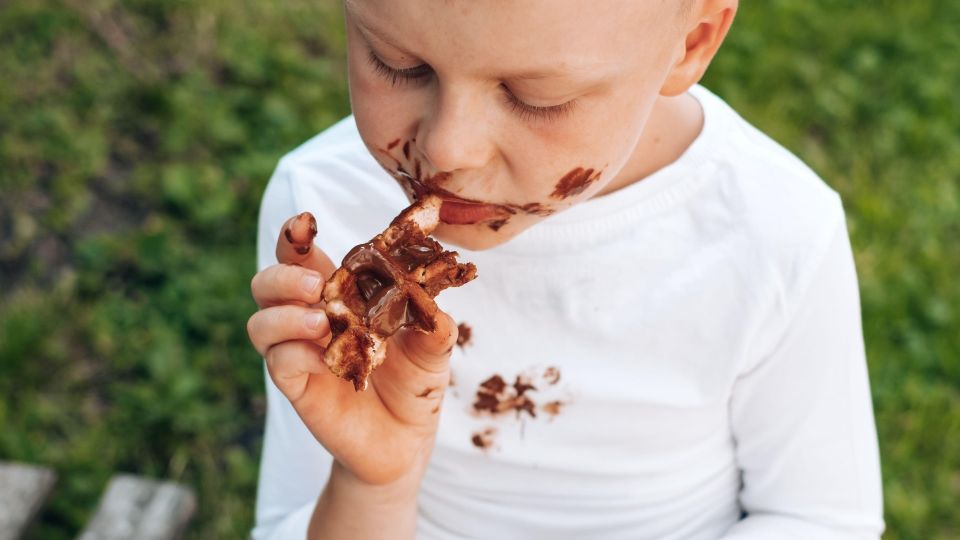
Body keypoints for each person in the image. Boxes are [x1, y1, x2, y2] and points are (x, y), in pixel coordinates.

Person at [246, 0, 885, 538]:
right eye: (397, 63)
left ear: (691, 42)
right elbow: (290, 518)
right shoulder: (319, 213)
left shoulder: (775, 230)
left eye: (537, 98)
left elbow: (819, 517)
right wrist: (371, 482)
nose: (448, 148)